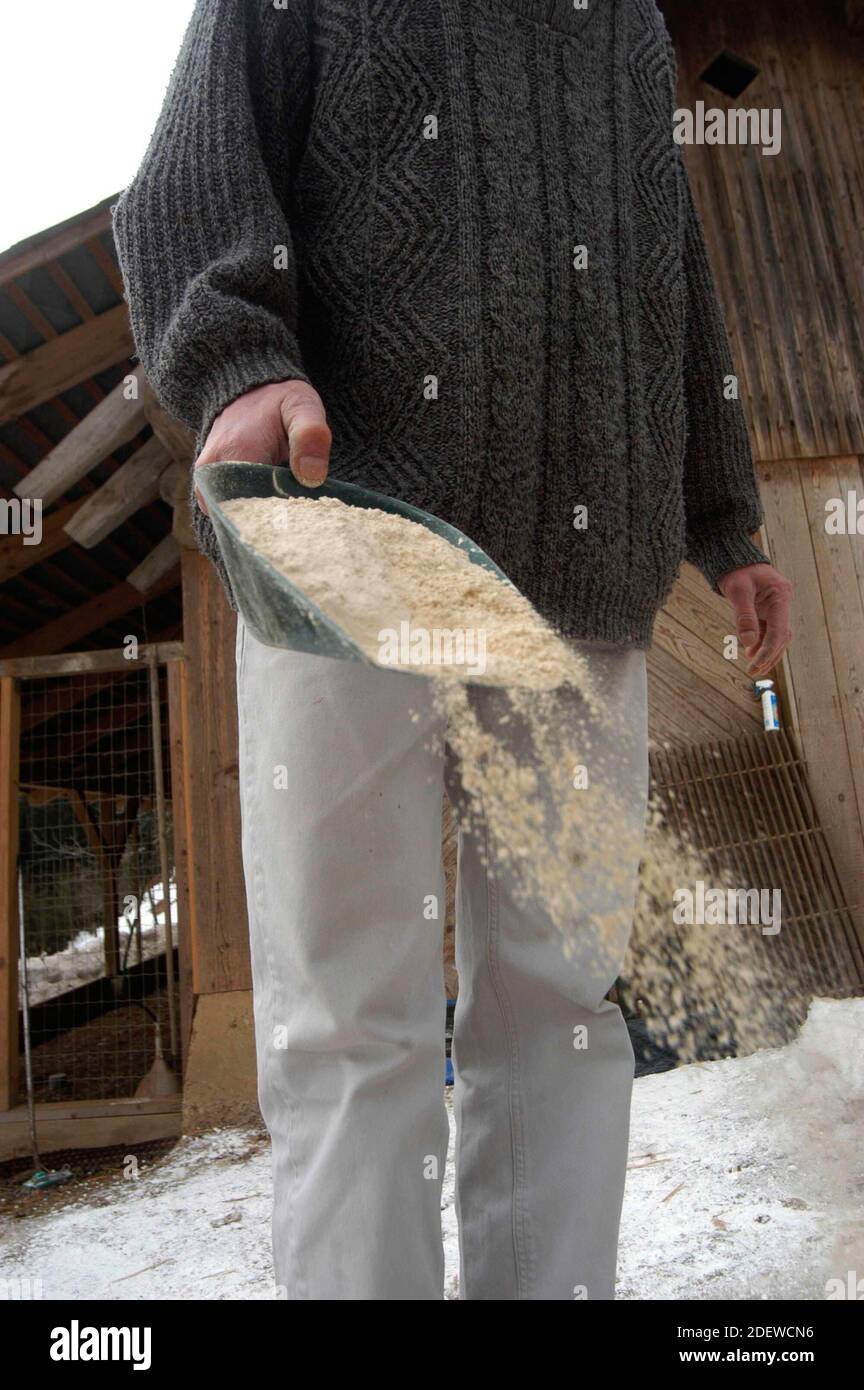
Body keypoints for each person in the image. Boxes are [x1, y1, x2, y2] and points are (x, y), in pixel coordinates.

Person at [113, 0, 793, 1300]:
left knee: (559, 1011)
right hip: (350, 548)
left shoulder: (629, 28)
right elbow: (198, 161)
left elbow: (676, 268)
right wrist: (237, 356)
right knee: (352, 1020)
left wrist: (728, 512)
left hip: (581, 588)